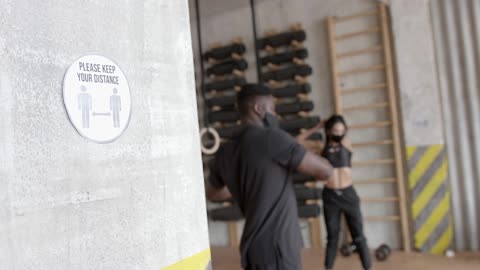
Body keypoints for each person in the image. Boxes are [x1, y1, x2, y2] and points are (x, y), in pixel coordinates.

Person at [206, 84, 333, 270]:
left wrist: (247, 183)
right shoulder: (273, 138)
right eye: (272, 109)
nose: (275, 114)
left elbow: (212, 193)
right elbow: (325, 171)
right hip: (278, 249)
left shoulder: (225, 151)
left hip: (253, 248)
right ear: (258, 109)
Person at [300, 114, 372, 270]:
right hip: (331, 197)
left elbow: (343, 133)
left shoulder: (346, 143)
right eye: (335, 131)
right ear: (328, 131)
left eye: (341, 131)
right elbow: (298, 142)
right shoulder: (320, 148)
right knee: (332, 238)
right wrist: (317, 127)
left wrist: (339, 127)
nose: (339, 134)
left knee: (359, 237)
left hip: (348, 195)